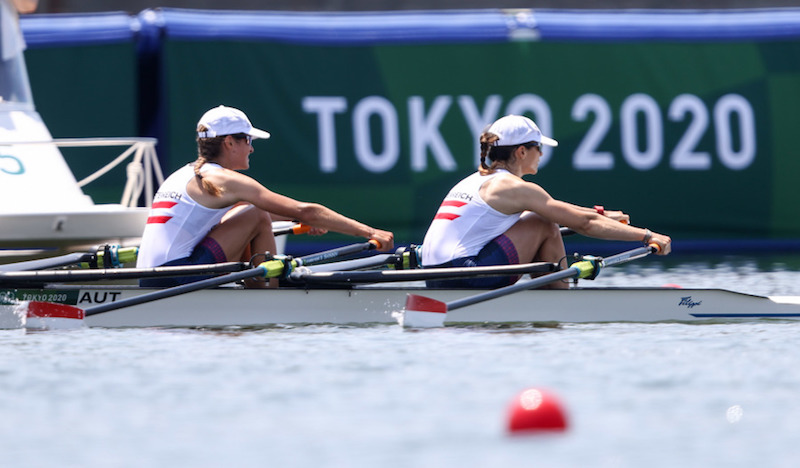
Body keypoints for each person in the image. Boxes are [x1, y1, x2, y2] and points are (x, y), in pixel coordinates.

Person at [136, 105, 394, 288]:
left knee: (250, 211)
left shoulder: (185, 174)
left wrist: (301, 223)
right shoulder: (225, 179)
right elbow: (305, 210)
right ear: (229, 143)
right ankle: (265, 292)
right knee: (256, 213)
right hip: (177, 278)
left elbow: (240, 216)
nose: (251, 147)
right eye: (247, 140)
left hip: (149, 277)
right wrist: (369, 232)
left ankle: (256, 283)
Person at [421, 114, 671, 289]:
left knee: (545, 216)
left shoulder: (477, 180)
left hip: (435, 277)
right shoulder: (513, 186)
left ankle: (551, 296)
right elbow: (583, 223)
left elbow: (569, 212)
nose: (541, 153)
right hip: (465, 276)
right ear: (521, 151)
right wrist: (647, 236)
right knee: (544, 223)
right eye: (537, 147)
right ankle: (559, 303)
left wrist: (601, 214)